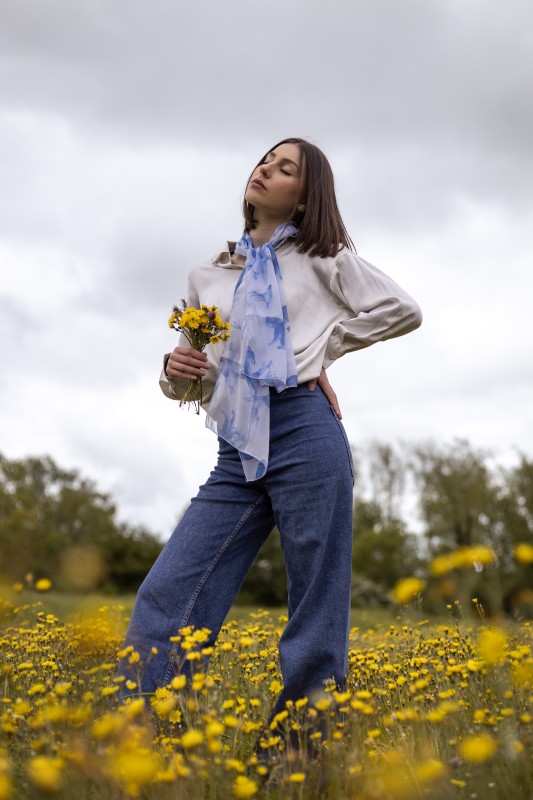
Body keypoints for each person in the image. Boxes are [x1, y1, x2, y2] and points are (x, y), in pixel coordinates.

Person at [118, 137, 422, 734]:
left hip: (305, 431)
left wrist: (320, 350)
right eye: (265, 160)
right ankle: (148, 740)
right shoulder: (209, 274)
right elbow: (190, 382)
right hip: (236, 449)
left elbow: (401, 308)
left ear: (304, 199)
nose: (265, 170)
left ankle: (298, 751)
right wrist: (174, 373)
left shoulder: (323, 258)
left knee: (315, 598)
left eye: (286, 169)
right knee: (167, 594)